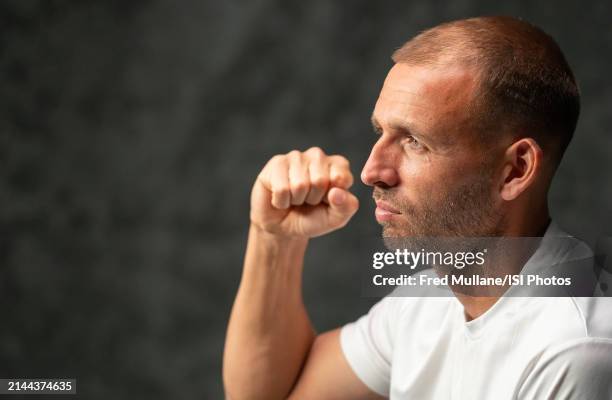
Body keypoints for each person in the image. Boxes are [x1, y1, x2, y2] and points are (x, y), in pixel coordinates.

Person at [223, 16, 612, 399]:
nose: (371, 171)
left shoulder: (575, 352)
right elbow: (269, 394)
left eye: (414, 141)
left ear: (515, 170)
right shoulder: (428, 301)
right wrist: (274, 238)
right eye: (382, 133)